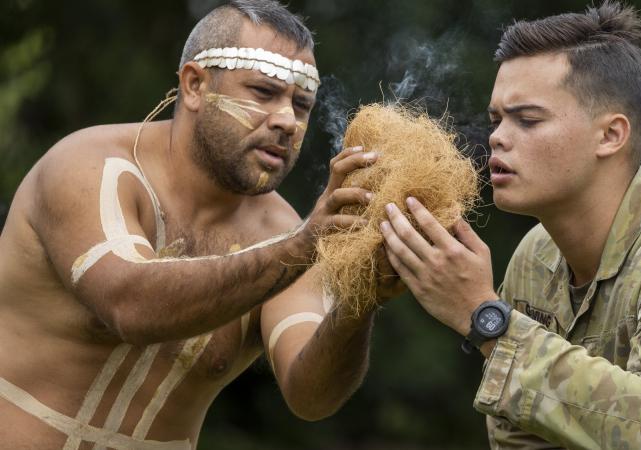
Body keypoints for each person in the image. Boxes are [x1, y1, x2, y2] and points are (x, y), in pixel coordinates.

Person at [379, 2, 641, 448]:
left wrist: (487, 319)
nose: (497, 137)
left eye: (527, 119)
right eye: (496, 119)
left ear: (611, 135)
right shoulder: (535, 257)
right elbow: (521, 437)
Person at [0, 1, 399, 448]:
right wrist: (303, 245)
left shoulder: (286, 234)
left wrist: (361, 301)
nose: (287, 120)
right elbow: (130, 304)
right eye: (263, 92)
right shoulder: (90, 169)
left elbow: (311, 397)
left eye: (301, 104)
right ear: (194, 86)